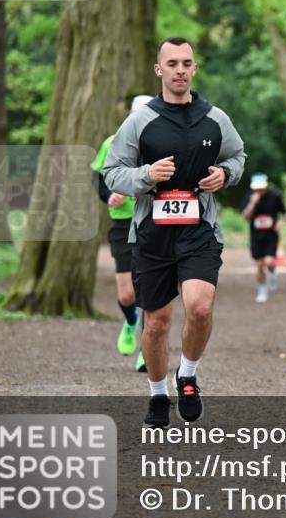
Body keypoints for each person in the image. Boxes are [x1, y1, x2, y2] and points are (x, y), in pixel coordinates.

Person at [104, 37, 246, 428]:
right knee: (158, 322)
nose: (180, 70)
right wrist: (146, 175)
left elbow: (237, 156)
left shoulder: (215, 118)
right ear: (159, 70)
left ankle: (187, 374)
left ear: (194, 69)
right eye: (172, 64)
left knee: (200, 307)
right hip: (153, 233)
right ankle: (156, 394)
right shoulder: (140, 120)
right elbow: (112, 172)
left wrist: (226, 173)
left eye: (187, 63)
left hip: (200, 229)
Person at [91, 95, 153, 373]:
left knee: (150, 291)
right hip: (121, 223)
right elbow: (99, 178)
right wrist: (109, 195)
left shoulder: (160, 143)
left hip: (152, 221)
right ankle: (129, 322)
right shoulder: (112, 142)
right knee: (128, 295)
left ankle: (146, 349)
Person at [241, 173, 286, 303]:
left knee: (269, 262)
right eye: (256, 188)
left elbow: (284, 213)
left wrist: (280, 222)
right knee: (260, 265)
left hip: (271, 234)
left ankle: (272, 275)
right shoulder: (249, 197)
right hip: (256, 236)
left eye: (261, 188)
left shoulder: (275, 196)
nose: (258, 191)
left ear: (266, 186)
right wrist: (252, 204)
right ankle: (262, 290)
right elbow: (245, 217)